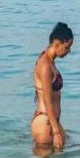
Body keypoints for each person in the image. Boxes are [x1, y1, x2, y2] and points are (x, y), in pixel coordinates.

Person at [31, 22, 73, 151]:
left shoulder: (50, 62)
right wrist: (56, 132)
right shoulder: (45, 66)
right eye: (66, 47)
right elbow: (48, 102)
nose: (68, 51)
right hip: (45, 123)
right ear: (57, 43)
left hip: (51, 121)